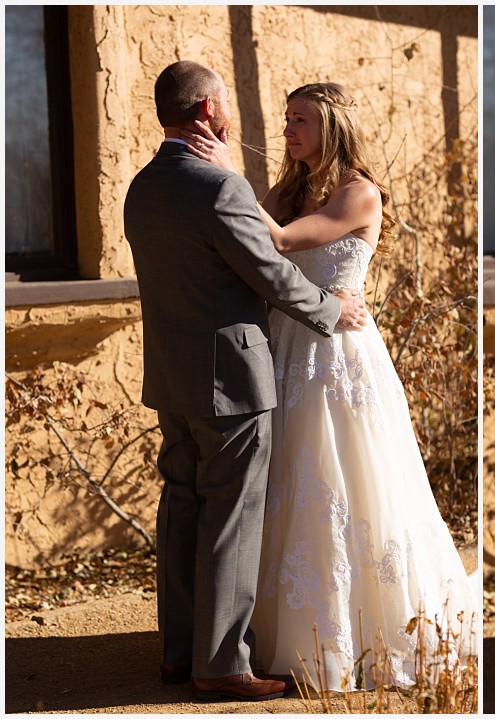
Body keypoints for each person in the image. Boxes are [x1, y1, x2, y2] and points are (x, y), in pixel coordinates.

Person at [182, 81, 477, 692]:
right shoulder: (287, 190)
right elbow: (256, 253)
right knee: (283, 480)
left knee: (343, 480)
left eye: (301, 120)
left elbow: (282, 241)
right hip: (283, 351)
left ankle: (352, 629)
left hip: (339, 357)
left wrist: (227, 174)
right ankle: (261, 630)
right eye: (287, 117)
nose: (288, 130)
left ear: (333, 127)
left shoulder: (359, 193)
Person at [123, 62, 367, 702]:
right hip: (231, 377)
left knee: (181, 509)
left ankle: (178, 652)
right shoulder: (219, 187)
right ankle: (223, 664)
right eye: (225, 99)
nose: (233, 111)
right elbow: (271, 272)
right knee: (230, 517)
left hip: (171, 378)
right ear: (206, 109)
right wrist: (329, 310)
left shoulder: (142, 187)